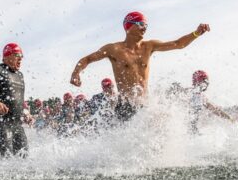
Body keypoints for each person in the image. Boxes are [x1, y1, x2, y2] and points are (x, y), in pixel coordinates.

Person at [70, 11, 209, 121]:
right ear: (129, 26)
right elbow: (87, 59)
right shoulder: (114, 49)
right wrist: (76, 73)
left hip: (144, 105)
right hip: (125, 106)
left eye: (146, 25)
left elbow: (178, 44)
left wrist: (196, 33)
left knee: (162, 120)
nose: (145, 28)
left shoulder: (149, 46)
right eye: (141, 24)